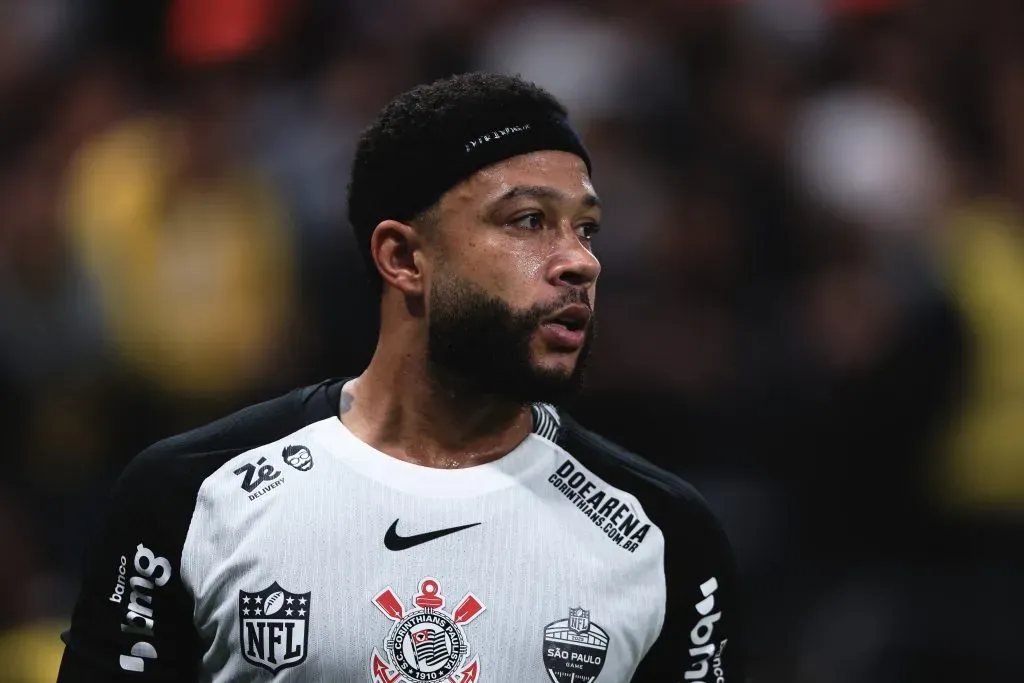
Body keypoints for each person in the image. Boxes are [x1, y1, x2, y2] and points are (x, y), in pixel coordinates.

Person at [57, 72, 744, 683]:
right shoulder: (189, 498)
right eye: (529, 221)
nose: (579, 262)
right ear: (403, 258)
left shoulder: (665, 538)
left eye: (586, 228)